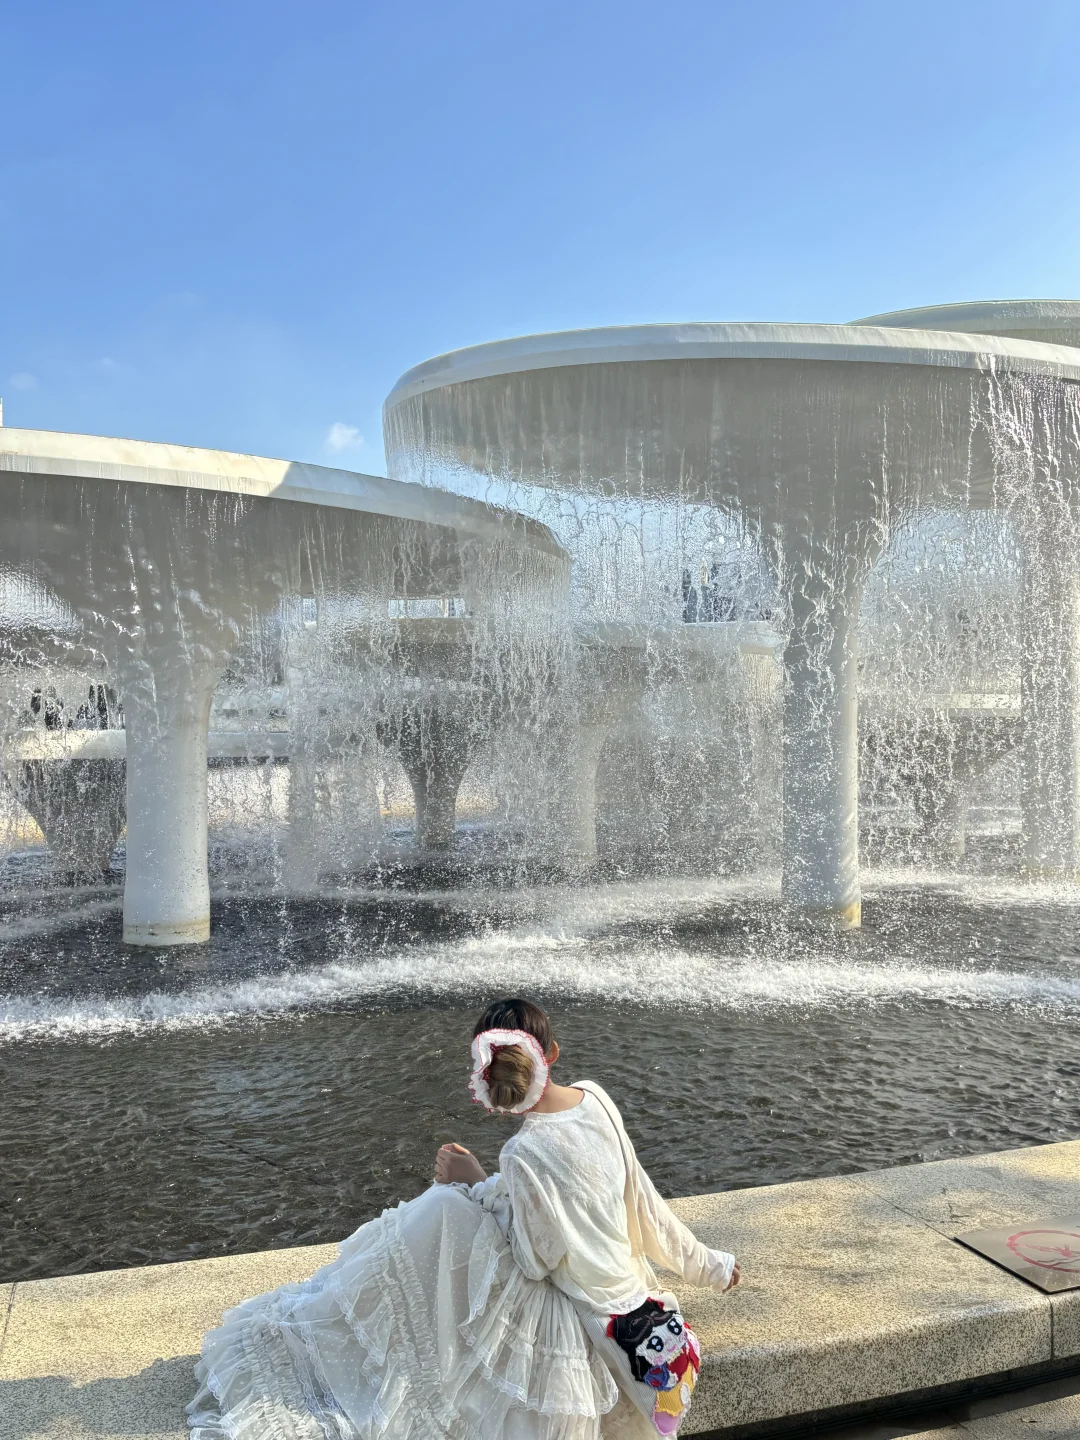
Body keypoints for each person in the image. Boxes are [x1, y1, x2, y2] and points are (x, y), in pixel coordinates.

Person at [187, 999, 739, 1440]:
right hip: (634, 1295)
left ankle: (336, 1328)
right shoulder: (598, 1099)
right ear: (553, 1052)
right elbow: (645, 1205)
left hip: (581, 1317)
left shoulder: (523, 1153)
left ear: (489, 1075)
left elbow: (536, 1258)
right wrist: (713, 1267)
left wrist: (474, 1183)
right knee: (453, 1205)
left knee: (442, 1210)